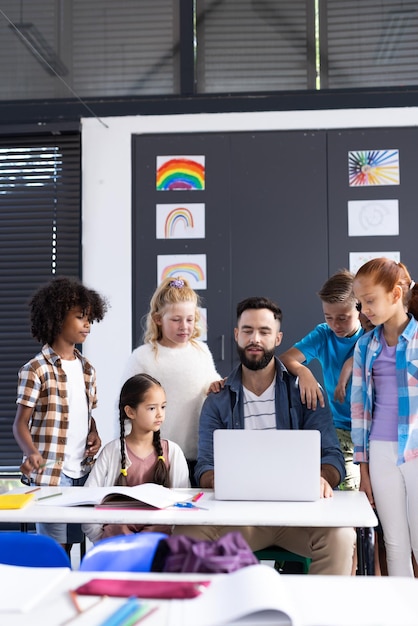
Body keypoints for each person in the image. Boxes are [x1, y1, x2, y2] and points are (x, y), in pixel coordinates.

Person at [174, 296, 356, 575]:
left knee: (342, 536)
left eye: (264, 331)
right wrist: (225, 480)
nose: (254, 338)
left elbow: (333, 457)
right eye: (247, 330)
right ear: (237, 335)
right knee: (187, 536)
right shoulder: (218, 400)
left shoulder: (305, 392)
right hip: (240, 520)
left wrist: (321, 477)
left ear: (278, 338)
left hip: (299, 519)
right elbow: (205, 467)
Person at [13, 276, 109, 554]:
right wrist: (31, 453)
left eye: (89, 318)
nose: (87, 324)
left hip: (83, 471)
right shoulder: (36, 369)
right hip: (52, 475)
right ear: (56, 320)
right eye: (80, 317)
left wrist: (94, 432)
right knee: (57, 549)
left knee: (86, 542)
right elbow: (20, 423)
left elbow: (86, 413)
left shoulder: (87, 368)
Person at [351, 257, 418, 577]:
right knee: (394, 542)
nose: (364, 310)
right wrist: (363, 470)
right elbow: (360, 411)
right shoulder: (365, 346)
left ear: (395, 294)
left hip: (416, 449)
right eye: (360, 303)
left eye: (370, 301)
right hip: (380, 451)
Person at [123, 277, 222, 484]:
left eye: (190, 319)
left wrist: (216, 385)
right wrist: (126, 454)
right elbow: (126, 408)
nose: (184, 326)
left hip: (196, 457)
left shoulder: (201, 351)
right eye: (176, 320)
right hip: (155, 457)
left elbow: (211, 383)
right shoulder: (144, 356)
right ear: (158, 319)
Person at [82, 373, 190, 544]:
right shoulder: (112, 451)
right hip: (116, 542)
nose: (160, 414)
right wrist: (102, 538)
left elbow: (183, 505)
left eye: (163, 407)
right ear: (130, 411)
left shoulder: (173, 452)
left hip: (159, 542)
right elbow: (88, 500)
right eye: (152, 408)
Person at [280, 269, 363, 490]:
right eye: (328, 317)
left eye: (343, 318)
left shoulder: (370, 335)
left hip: (373, 429)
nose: (335, 325)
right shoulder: (324, 334)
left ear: (360, 309)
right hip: (341, 429)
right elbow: (287, 359)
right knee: (348, 486)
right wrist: (304, 372)